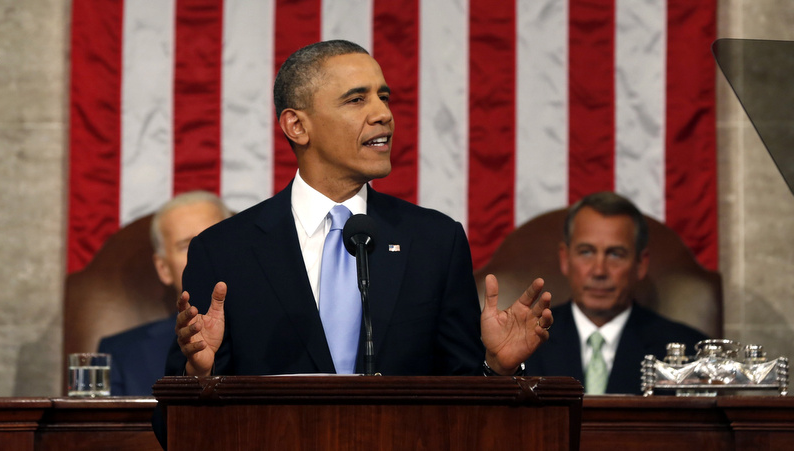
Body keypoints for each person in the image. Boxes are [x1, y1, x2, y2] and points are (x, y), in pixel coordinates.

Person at [165, 39, 553, 381]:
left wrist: (497, 368)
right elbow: (171, 424)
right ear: (297, 126)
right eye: (356, 99)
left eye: (383, 97)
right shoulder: (223, 251)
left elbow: (466, 403)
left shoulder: (435, 242)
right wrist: (199, 376)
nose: (383, 113)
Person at [523, 191, 709, 395]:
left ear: (640, 264)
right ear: (565, 259)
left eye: (615, 254)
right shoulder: (526, 343)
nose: (599, 271)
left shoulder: (691, 354)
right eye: (586, 252)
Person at [97, 190, 230, 395]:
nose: (203, 254)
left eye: (212, 238)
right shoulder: (120, 354)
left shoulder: (279, 332)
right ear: (163, 268)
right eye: (187, 245)